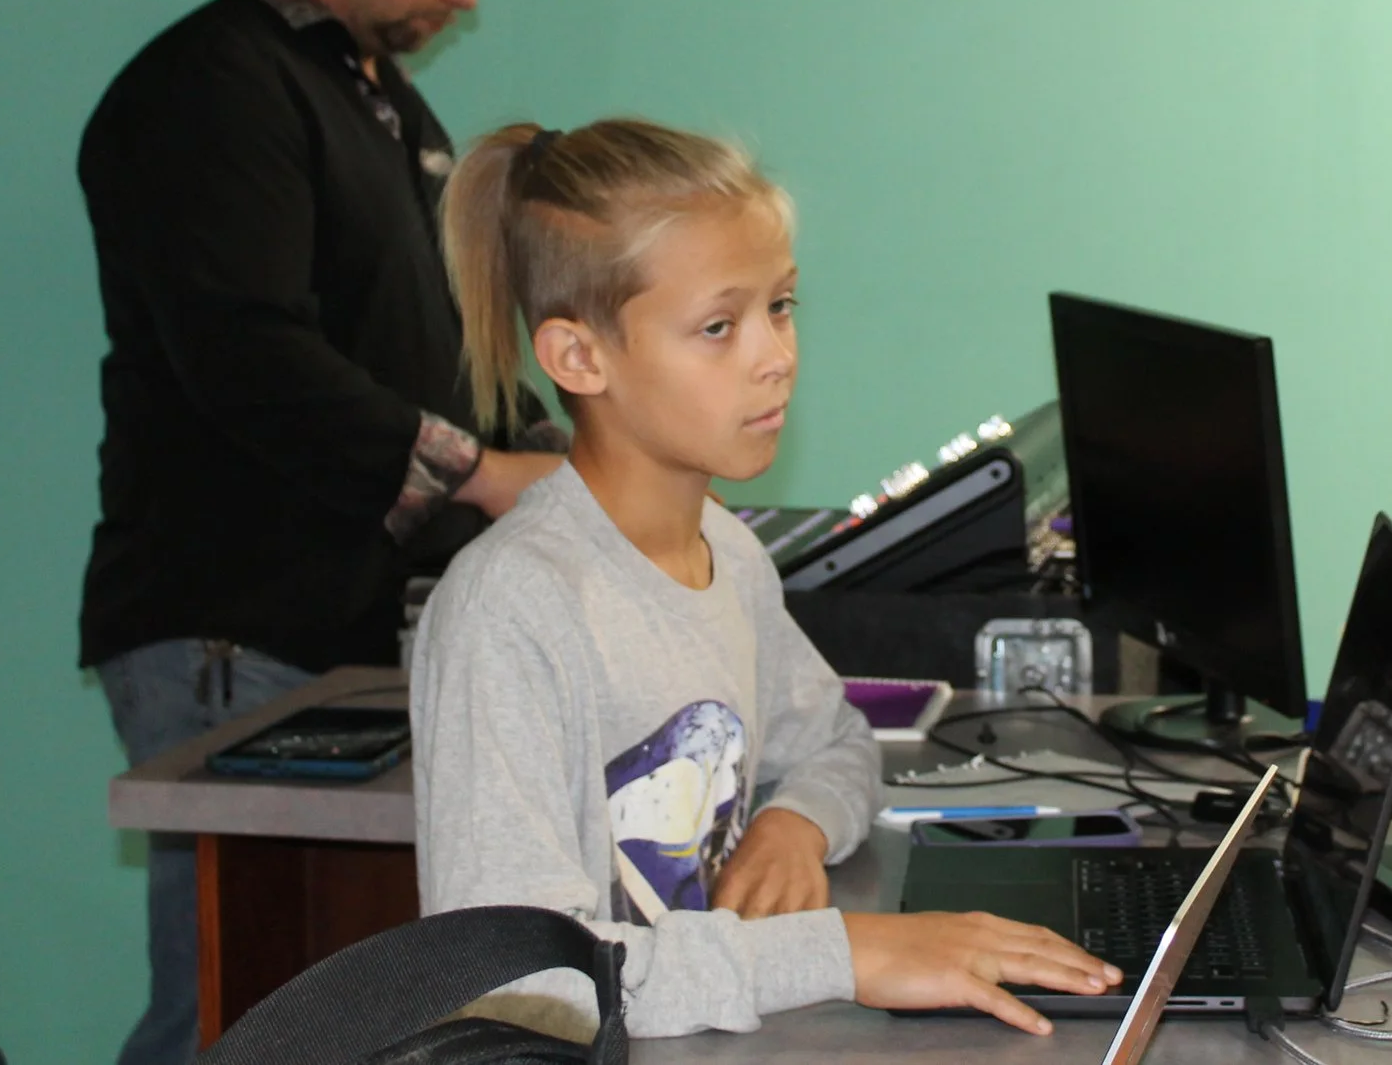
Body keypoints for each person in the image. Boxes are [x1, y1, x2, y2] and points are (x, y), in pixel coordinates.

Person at [413, 118, 1123, 1039]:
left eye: (781, 306)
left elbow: (835, 742)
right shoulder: (510, 608)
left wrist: (794, 824)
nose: (775, 354)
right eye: (719, 325)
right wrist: (847, 951)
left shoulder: (726, 551)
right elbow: (521, 980)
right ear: (579, 357)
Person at [77, 0, 569, 1065]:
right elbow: (249, 355)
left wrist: (577, 463)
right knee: (233, 1010)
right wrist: (483, 475)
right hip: (238, 634)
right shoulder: (211, 89)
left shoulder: (373, 96)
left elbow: (448, 344)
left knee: (337, 1007)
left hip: (337, 629)